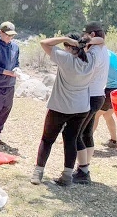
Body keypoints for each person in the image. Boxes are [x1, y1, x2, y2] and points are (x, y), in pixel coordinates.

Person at [30, 34, 97, 186]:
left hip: (59, 107)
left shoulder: (66, 59)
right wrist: (84, 42)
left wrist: (63, 38)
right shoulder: (91, 60)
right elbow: (100, 42)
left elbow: (44, 42)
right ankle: (67, 176)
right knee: (71, 139)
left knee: (47, 140)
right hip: (81, 108)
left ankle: (38, 173)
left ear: (68, 47)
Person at [72, 22, 109, 184]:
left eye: (85, 34)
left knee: (76, 133)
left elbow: (85, 70)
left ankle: (83, 170)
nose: (83, 37)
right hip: (98, 95)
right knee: (87, 133)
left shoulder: (94, 51)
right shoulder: (103, 49)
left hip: (90, 95)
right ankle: (83, 167)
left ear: (92, 35)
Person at [93, 47, 117, 149]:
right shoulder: (111, 53)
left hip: (112, 89)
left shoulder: (99, 55)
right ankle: (113, 141)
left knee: (95, 115)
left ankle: (85, 143)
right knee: (107, 115)